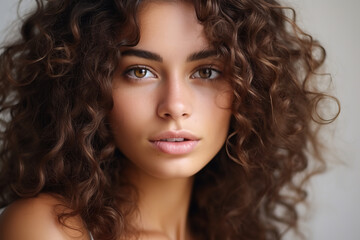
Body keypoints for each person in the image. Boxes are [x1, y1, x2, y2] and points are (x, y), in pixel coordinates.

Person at [0, 0, 339, 239]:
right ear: (86, 86)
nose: (175, 106)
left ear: (251, 89)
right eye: (140, 71)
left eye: (206, 71)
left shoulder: (234, 232)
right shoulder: (49, 228)